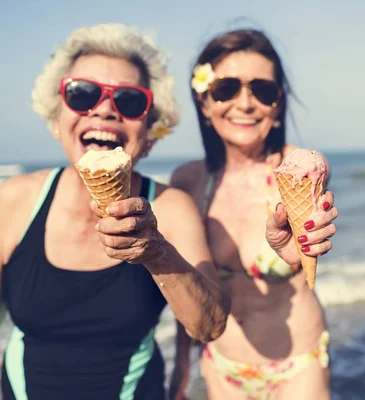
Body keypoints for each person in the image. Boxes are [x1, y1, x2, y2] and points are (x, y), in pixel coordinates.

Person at [0, 23, 305, 400]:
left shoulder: (171, 207)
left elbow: (209, 325)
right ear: (56, 117)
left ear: (149, 131)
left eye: (129, 101)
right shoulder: (11, 202)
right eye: (82, 94)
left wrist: (156, 251)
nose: (106, 109)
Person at [168, 29, 337, 400]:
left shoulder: (299, 169)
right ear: (204, 101)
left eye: (262, 91)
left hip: (298, 367)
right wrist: (181, 365)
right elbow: (187, 285)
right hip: (221, 365)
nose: (245, 104)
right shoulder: (188, 181)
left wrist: (309, 244)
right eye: (227, 88)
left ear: (278, 104)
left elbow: (313, 242)